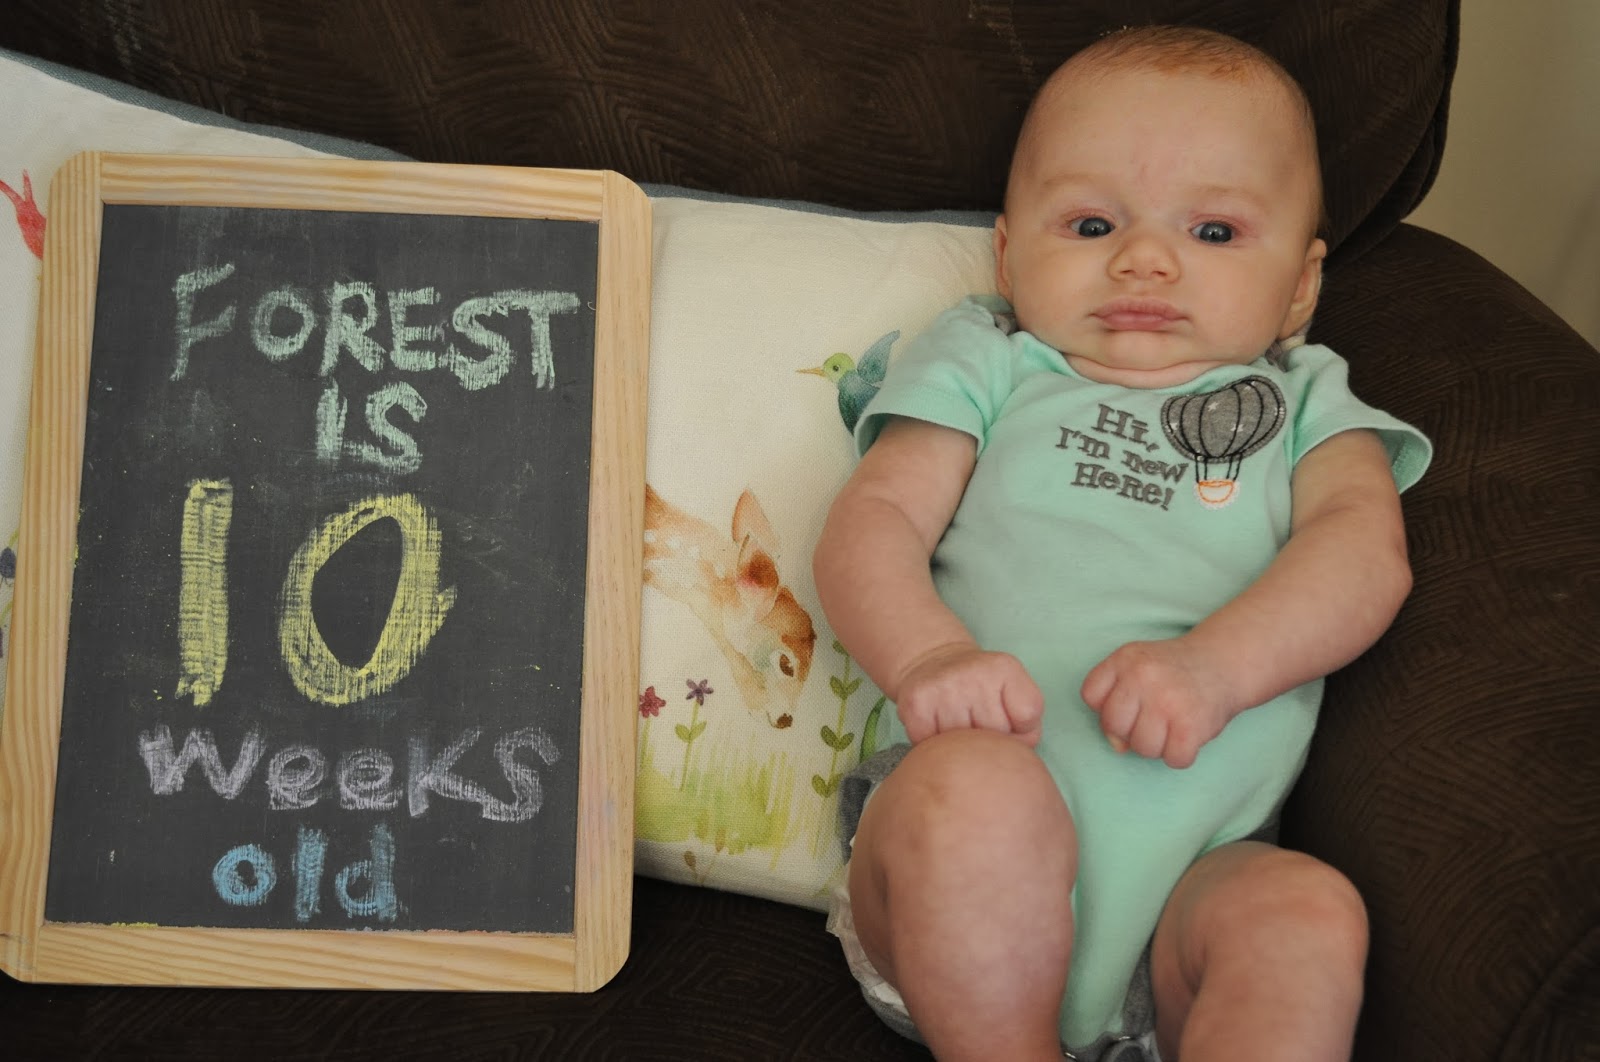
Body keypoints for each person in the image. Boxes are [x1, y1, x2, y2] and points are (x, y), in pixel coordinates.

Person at [812, 24, 1432, 1062]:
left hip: (1195, 878)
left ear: (1299, 287)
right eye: (1092, 223)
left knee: (1307, 912)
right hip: (950, 879)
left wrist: (1216, 667)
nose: (1144, 258)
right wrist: (928, 657)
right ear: (1009, 254)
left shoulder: (1307, 405)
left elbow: (1364, 557)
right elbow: (871, 522)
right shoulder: (991, 360)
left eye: (1215, 231)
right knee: (972, 797)